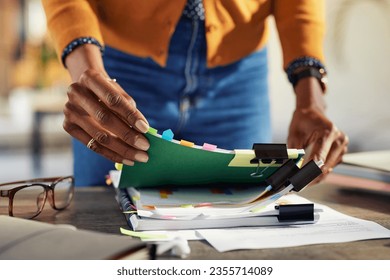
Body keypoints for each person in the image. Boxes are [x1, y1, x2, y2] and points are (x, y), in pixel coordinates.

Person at [42, 0, 348, 186]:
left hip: (237, 71)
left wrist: (311, 98)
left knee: (241, 215)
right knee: (106, 220)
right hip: (120, 66)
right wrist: (86, 71)